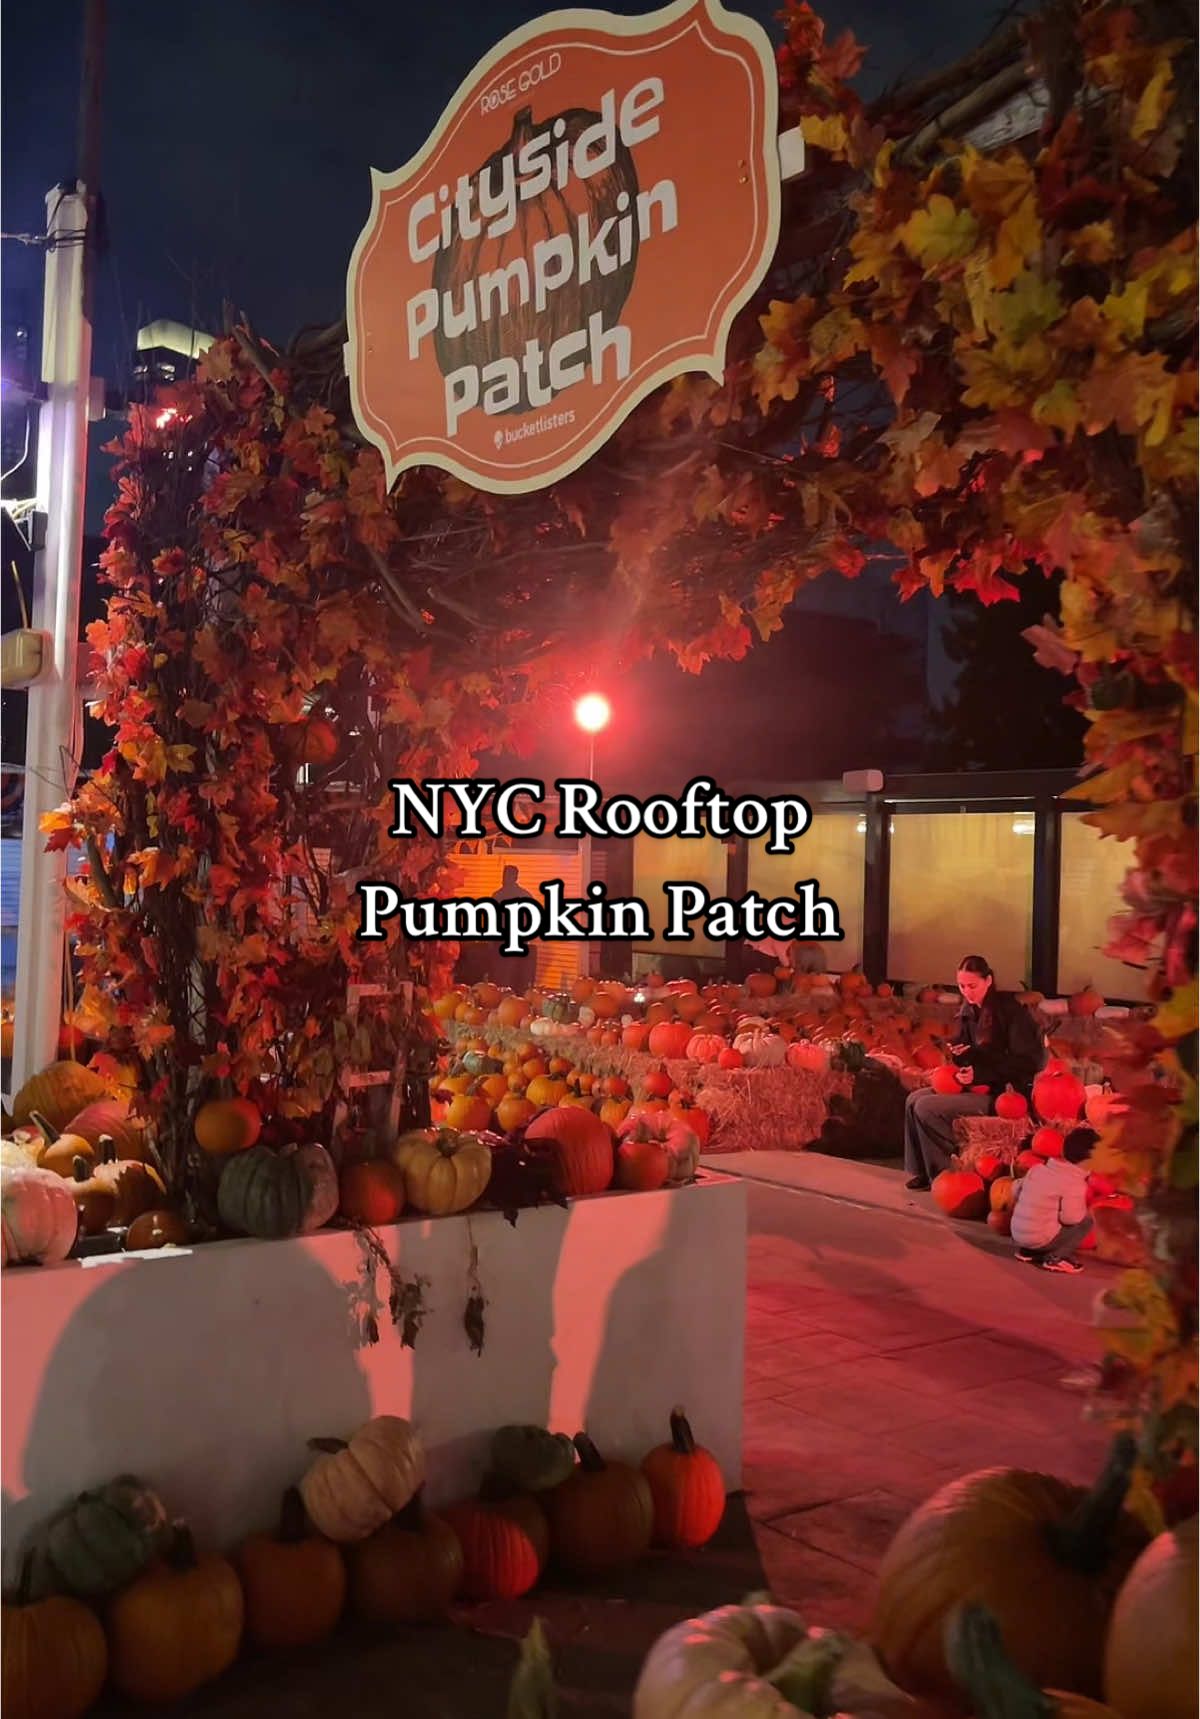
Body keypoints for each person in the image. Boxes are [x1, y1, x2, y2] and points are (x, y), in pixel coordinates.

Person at [903, 954, 1044, 1191]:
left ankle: (945, 1171)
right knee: (913, 1099)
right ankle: (922, 1171)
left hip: (1003, 1093)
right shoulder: (969, 1011)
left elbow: (1028, 1061)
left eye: (972, 986)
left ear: (988, 981)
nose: (967, 992)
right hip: (976, 1085)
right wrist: (960, 1053)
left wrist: (979, 1074)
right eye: (962, 986)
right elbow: (975, 1056)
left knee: (927, 1107)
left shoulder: (1010, 1012)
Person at [1009, 1128, 1094, 1273]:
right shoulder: (1075, 1182)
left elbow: (1015, 1189)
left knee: (1042, 1215)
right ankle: (1056, 1258)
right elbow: (1070, 1219)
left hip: (1018, 1236)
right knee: (1086, 1221)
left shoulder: (1037, 1169)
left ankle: (1027, 1252)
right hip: (1040, 1239)